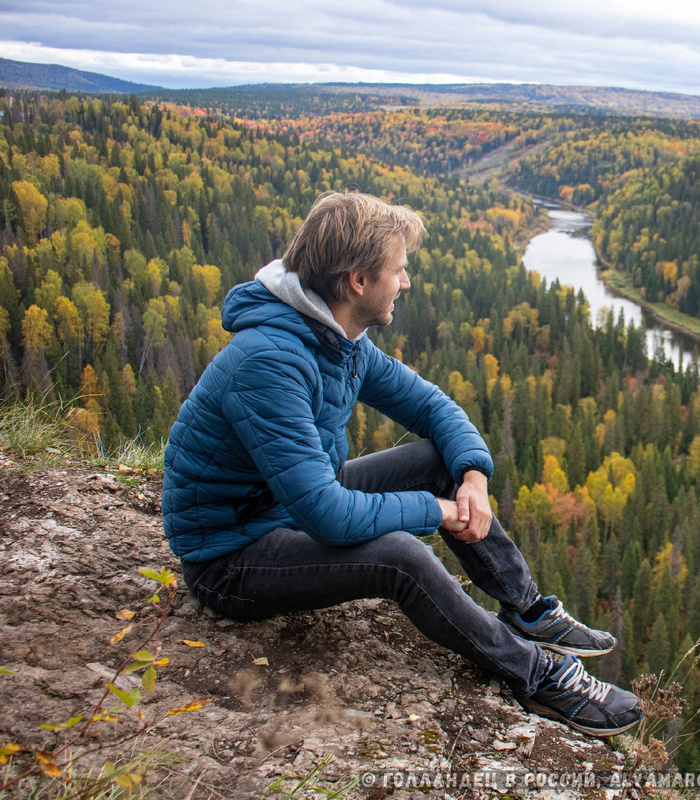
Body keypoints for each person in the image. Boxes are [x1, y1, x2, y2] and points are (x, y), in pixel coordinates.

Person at [162, 190, 642, 737]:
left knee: (437, 459)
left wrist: (472, 479)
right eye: (399, 270)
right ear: (358, 282)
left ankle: (526, 608)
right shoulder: (269, 360)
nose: (406, 283)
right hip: (230, 557)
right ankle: (537, 675)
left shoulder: (334, 339)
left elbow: (433, 406)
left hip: (280, 506)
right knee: (399, 556)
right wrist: (438, 511)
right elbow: (329, 516)